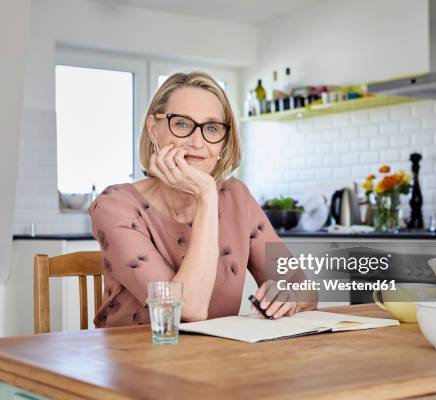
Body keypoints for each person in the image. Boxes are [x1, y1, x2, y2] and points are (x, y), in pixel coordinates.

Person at [89, 72, 317, 328]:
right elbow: (188, 310)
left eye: (211, 128)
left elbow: (306, 289)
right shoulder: (114, 205)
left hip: (216, 360)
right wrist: (206, 196)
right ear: (154, 130)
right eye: (183, 124)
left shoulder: (236, 197)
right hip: (134, 358)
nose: (197, 142)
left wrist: (290, 298)